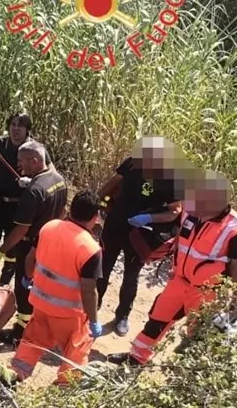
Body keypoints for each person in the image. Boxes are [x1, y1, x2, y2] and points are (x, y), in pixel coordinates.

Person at [108, 170, 237, 366]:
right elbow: (180, 238)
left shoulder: (235, 228)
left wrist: (236, 299)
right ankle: (136, 358)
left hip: (206, 293)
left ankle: (186, 373)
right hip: (179, 282)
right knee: (156, 320)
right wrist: (172, 264)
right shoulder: (191, 212)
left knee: (197, 335)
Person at [5, 191, 105, 386]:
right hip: (69, 315)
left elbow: (30, 258)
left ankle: (15, 373)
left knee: (33, 340)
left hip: (40, 303)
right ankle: (65, 386)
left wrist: (28, 277)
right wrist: (93, 321)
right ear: (95, 217)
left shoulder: (49, 228)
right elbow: (88, 291)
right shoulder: (90, 249)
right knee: (77, 347)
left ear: (70, 209)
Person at [93, 136, 184, 336]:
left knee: (131, 275)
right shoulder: (133, 162)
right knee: (102, 268)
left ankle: (122, 316)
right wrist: (95, 204)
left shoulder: (171, 179)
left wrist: (149, 218)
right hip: (115, 223)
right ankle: (93, 308)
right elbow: (113, 182)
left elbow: (175, 211)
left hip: (140, 233)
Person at [0, 140, 69, 345]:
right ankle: (32, 322)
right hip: (48, 241)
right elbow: (62, 212)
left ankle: (20, 332)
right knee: (38, 283)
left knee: (23, 287)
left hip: (30, 245)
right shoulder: (59, 180)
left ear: (34, 161)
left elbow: (21, 229)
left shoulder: (33, 192)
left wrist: (1, 250)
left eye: (22, 161)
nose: (19, 166)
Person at [0, 113, 52, 285]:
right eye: (13, 124)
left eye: (20, 125)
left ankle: (3, 283)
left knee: (13, 248)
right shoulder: (0, 143)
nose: (15, 129)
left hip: (18, 206)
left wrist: (33, 181)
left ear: (27, 130)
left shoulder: (34, 149)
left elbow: (49, 172)